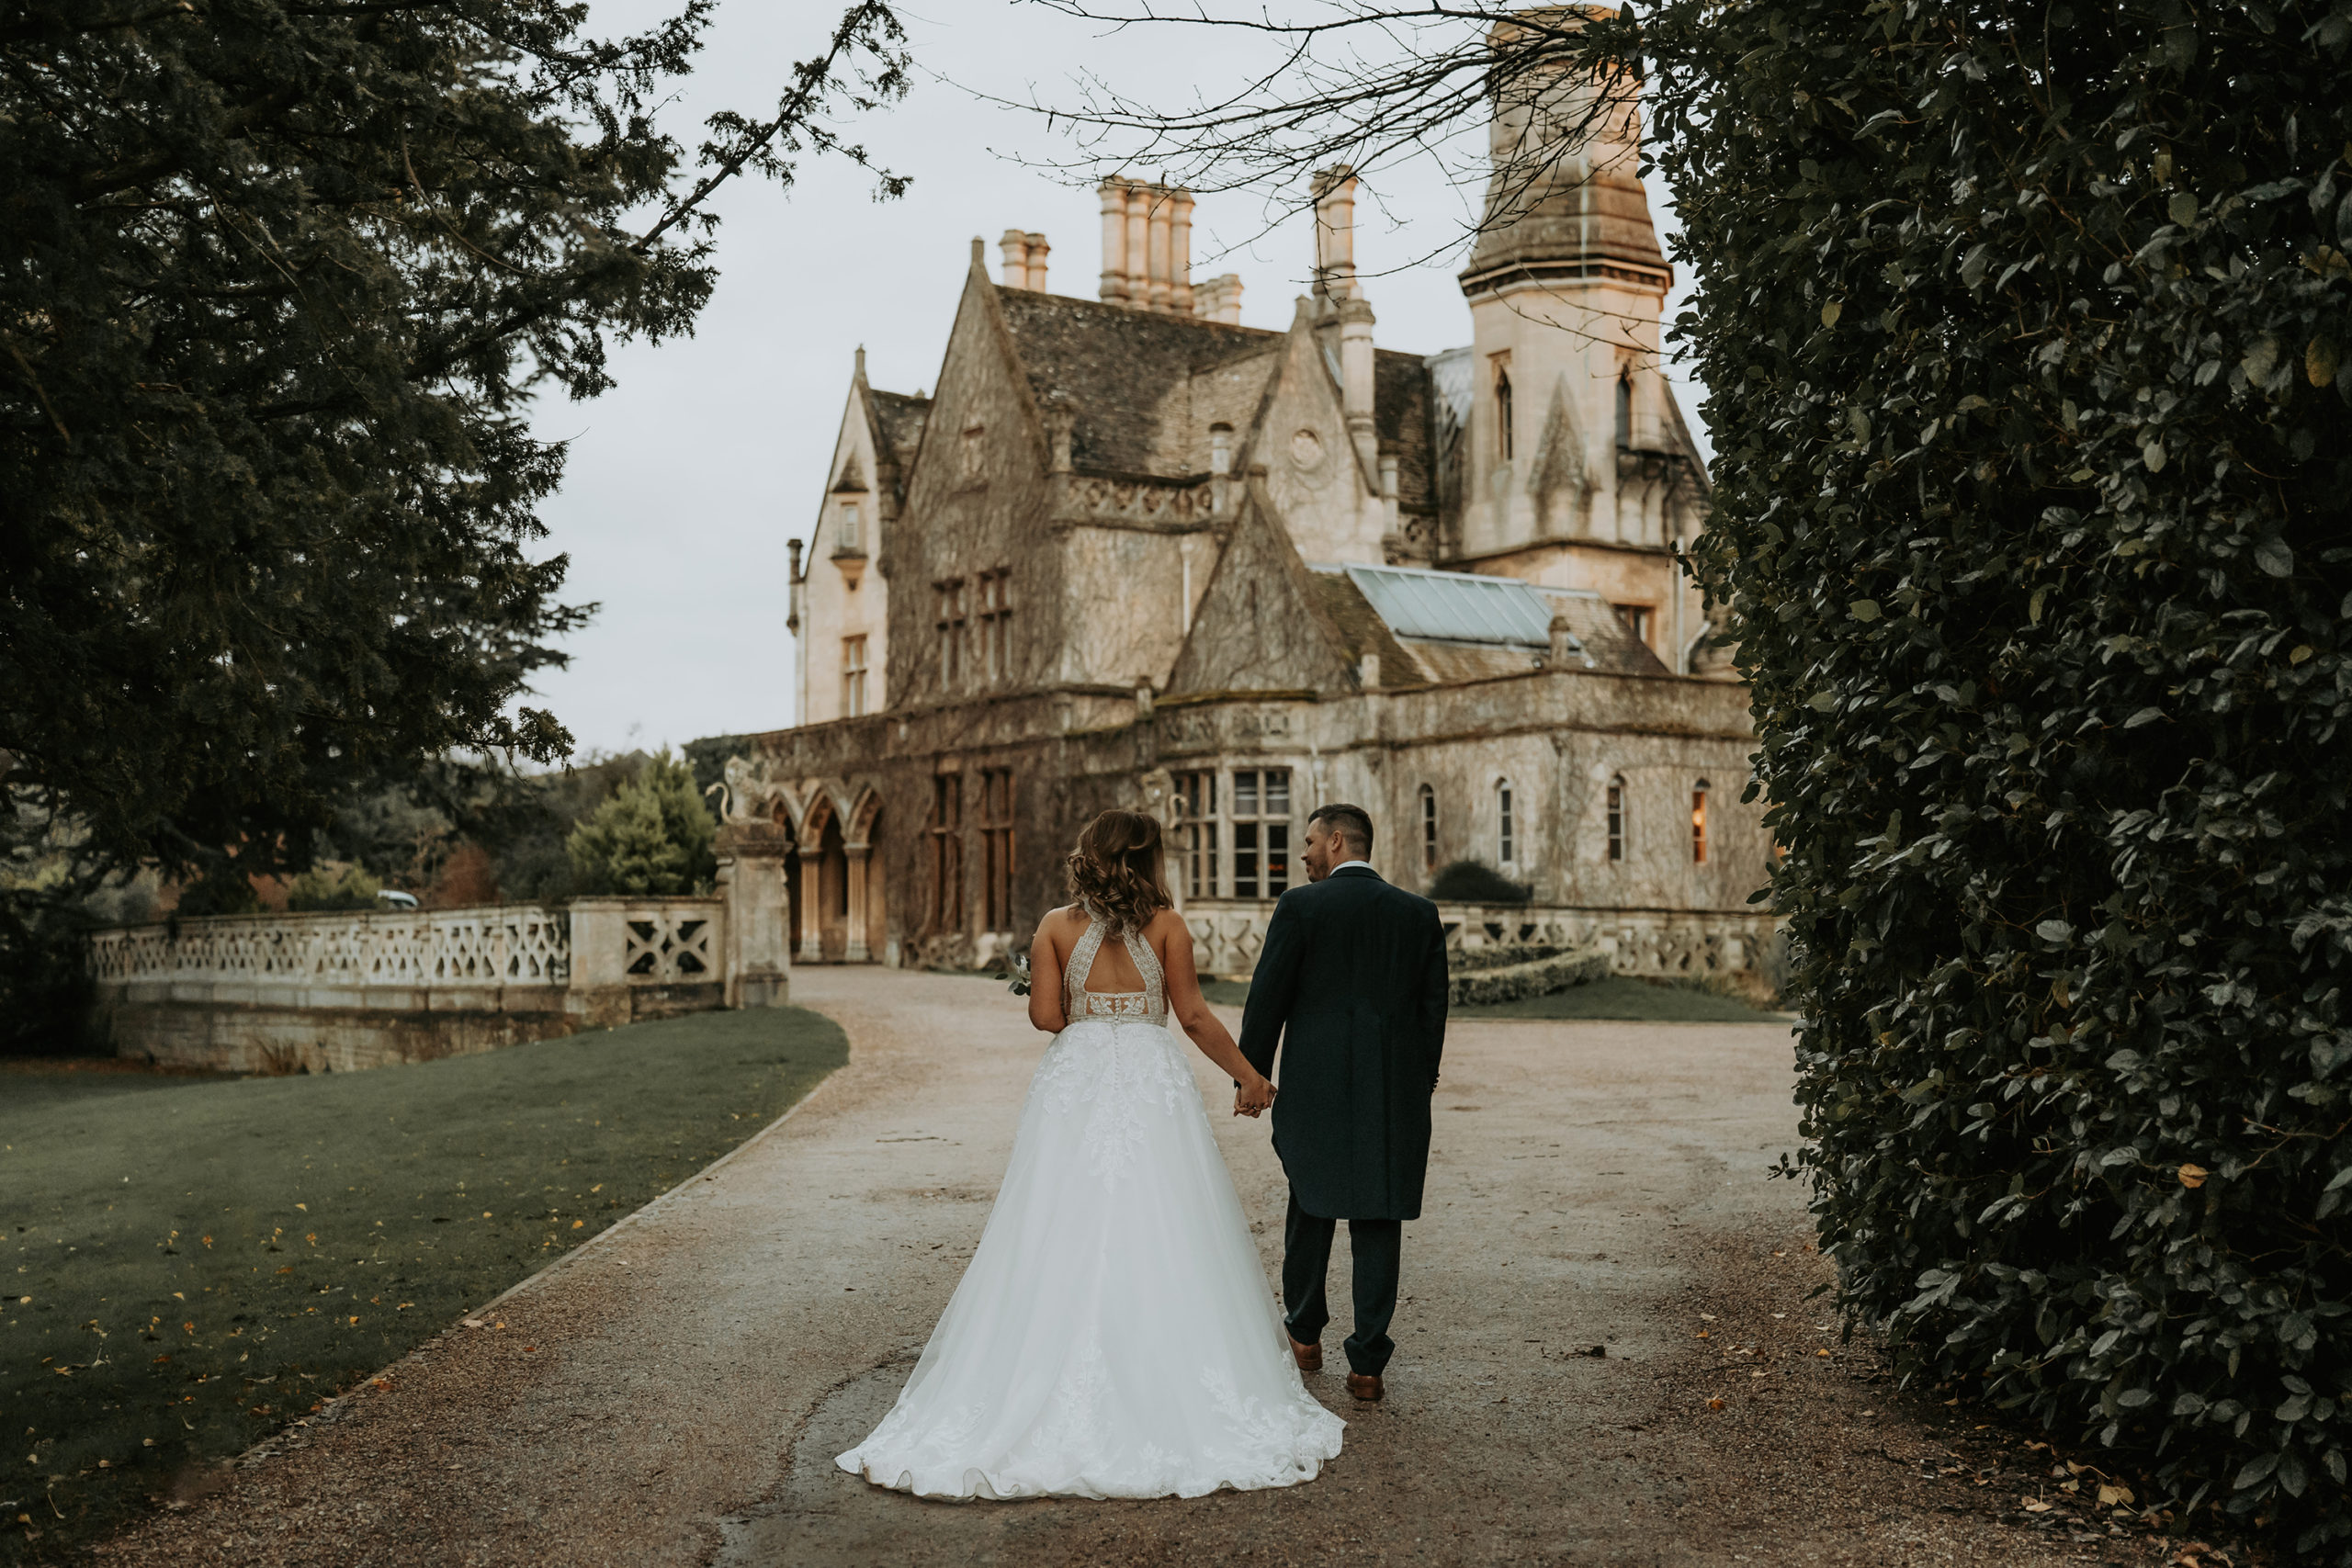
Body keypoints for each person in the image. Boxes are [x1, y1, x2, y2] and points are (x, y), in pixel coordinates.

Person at [836, 808, 1344, 1500]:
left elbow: (1048, 1016)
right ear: (1147, 859)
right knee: (1163, 1214)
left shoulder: (1054, 925)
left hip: (1074, 1080)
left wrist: (1069, 999)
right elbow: (1192, 1014)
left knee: (1055, 1215)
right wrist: (1250, 1074)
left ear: (1090, 857)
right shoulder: (1166, 924)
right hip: (1146, 1076)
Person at [1237, 803, 1449, 1404]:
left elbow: (1268, 995)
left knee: (1311, 1198)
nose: (1301, 853)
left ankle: (1304, 1331)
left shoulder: (1301, 906)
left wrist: (1250, 1075)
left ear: (1335, 841)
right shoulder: (1419, 913)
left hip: (1316, 1085)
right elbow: (1433, 1010)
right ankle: (1368, 1364)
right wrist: (1419, 1083)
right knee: (1379, 1214)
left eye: (1308, 842)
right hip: (1394, 1089)